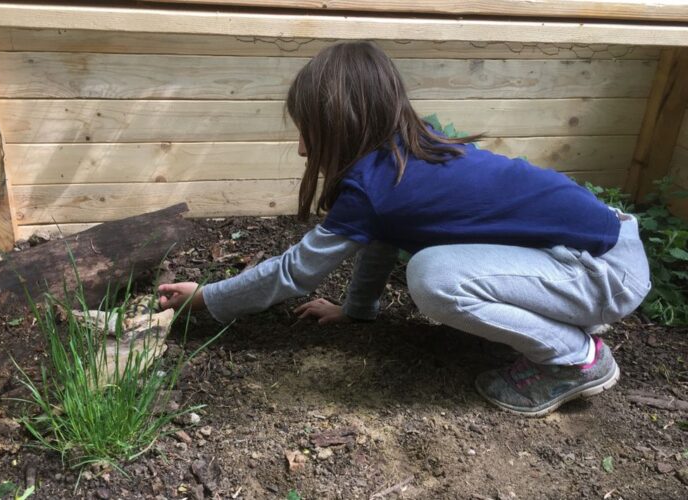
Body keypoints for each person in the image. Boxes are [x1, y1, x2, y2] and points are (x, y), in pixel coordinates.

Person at [158, 41, 651, 417]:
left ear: (341, 123)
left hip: (601, 271)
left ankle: (577, 357)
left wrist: (206, 297)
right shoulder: (403, 159)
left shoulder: (377, 183)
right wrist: (356, 311)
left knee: (433, 277)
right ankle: (571, 322)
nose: (305, 149)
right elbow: (385, 233)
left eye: (308, 130)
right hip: (597, 255)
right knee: (433, 264)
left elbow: (294, 274)